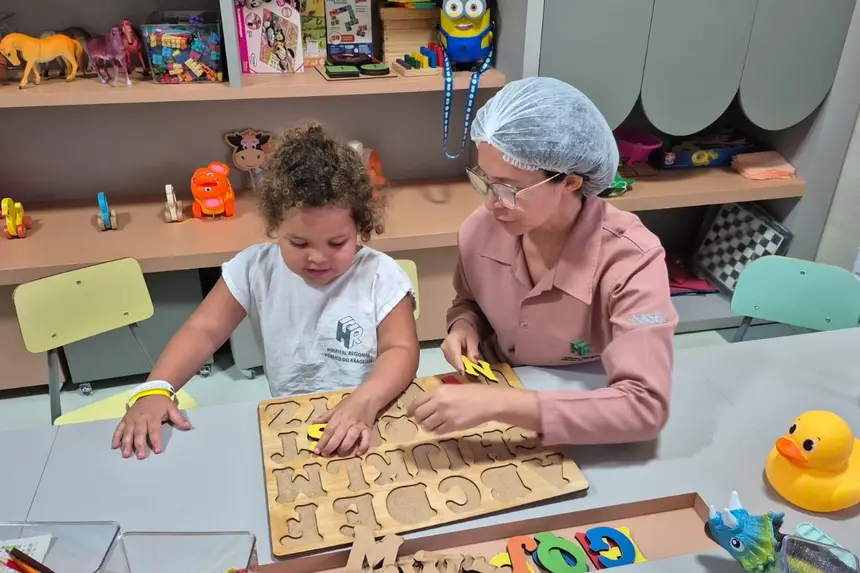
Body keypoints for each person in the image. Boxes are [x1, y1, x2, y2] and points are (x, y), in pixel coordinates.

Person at [113, 123, 419, 460]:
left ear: (360, 229)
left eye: (337, 243)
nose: (317, 257)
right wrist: (156, 388)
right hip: (295, 420)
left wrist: (366, 400)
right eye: (298, 243)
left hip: (371, 412)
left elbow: (400, 349)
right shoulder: (255, 268)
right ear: (275, 227)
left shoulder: (381, 276)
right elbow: (203, 330)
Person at [408, 77, 678, 445]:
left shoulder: (632, 260)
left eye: (510, 188)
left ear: (569, 182)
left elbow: (644, 408)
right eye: (484, 180)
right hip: (497, 387)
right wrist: (463, 327)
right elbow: (470, 302)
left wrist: (502, 404)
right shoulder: (480, 231)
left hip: (586, 404)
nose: (491, 202)